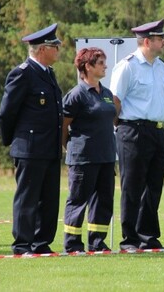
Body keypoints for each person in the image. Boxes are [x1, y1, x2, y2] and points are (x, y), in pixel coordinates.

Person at [0, 23, 63, 255]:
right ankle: (23, 245)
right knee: (27, 199)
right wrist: (14, 142)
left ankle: (41, 243)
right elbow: (7, 113)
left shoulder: (48, 74)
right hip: (30, 148)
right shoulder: (23, 73)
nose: (59, 50)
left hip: (49, 148)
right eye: (55, 46)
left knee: (48, 199)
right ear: (43, 49)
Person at [110, 19, 164, 250]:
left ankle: (148, 237)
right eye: (159, 38)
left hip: (156, 131)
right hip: (133, 131)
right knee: (132, 187)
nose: (163, 41)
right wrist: (121, 130)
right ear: (147, 41)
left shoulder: (161, 66)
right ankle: (130, 239)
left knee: (153, 187)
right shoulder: (127, 66)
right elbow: (115, 101)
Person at [62, 48, 117, 252]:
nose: (105, 66)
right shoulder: (76, 95)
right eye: (101, 62)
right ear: (88, 66)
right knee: (78, 201)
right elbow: (63, 125)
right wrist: (70, 148)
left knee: (103, 201)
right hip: (83, 158)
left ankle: (97, 242)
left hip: (106, 156)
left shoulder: (107, 93)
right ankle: (73, 244)